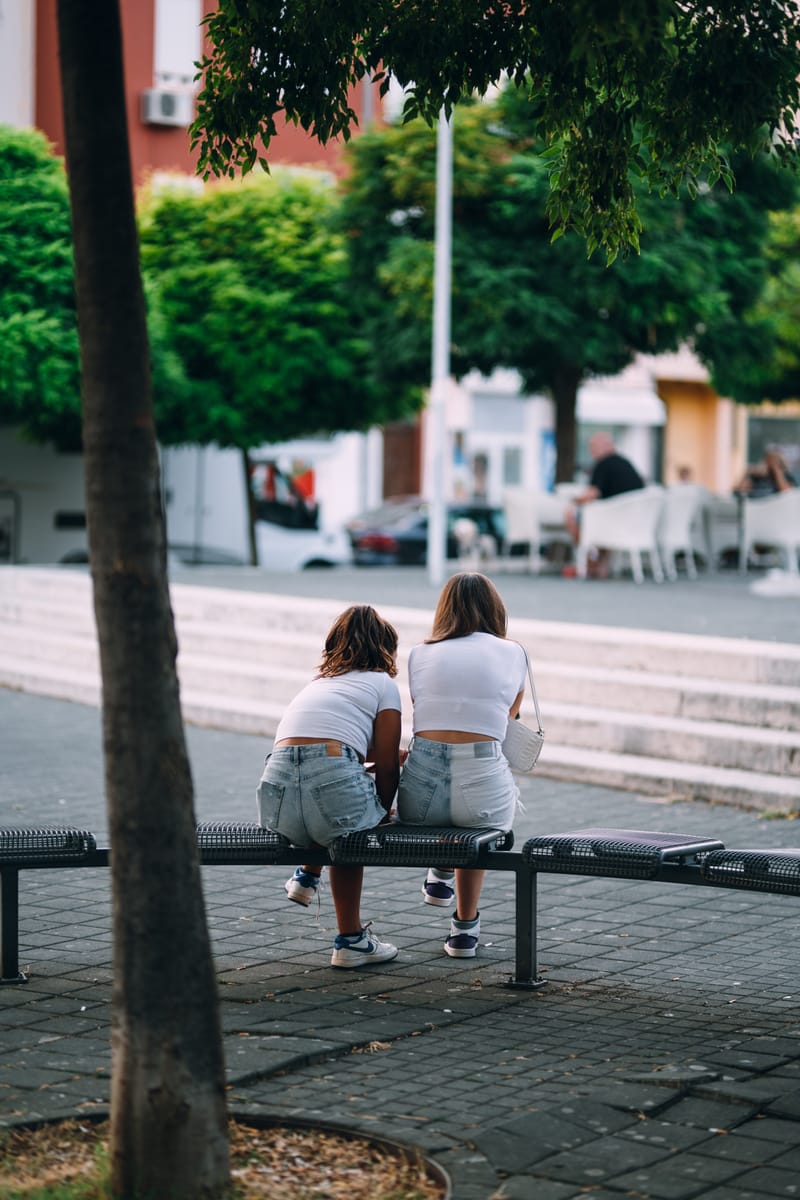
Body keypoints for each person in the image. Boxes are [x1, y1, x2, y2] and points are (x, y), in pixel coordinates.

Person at [256, 605, 402, 968]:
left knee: (329, 800)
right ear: (386, 649)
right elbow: (384, 765)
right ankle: (351, 940)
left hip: (277, 802)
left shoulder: (316, 686)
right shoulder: (383, 685)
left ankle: (306, 875)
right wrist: (382, 811)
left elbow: (317, 752)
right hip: (330, 797)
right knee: (351, 829)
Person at [396, 573, 527, 959]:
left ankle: (440, 871)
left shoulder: (420, 653)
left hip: (419, 802)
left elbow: (427, 712)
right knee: (475, 825)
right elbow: (507, 720)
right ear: (495, 609)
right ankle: (463, 933)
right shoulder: (514, 652)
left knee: (442, 781)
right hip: (481, 791)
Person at [562, 431, 645, 576]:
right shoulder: (626, 463)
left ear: (606, 446)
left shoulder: (603, 463)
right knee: (599, 517)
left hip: (614, 520)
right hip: (637, 521)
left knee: (570, 514)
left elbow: (591, 494)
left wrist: (574, 500)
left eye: (593, 446)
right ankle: (599, 564)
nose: (591, 451)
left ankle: (590, 561)